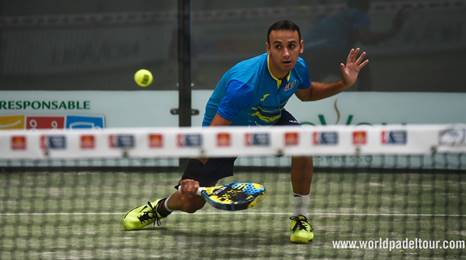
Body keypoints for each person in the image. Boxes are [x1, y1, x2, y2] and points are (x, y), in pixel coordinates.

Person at [122, 20, 368, 244]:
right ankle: (160, 207)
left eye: (291, 46)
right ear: (268, 48)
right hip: (228, 131)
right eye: (278, 46)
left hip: (268, 118)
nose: (285, 53)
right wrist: (193, 172)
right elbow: (213, 134)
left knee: (303, 142)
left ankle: (300, 217)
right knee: (189, 202)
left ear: (300, 47)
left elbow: (307, 93)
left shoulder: (299, 68)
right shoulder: (245, 85)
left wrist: (343, 84)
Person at [304, 0, 405, 91]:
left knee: (312, 84)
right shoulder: (358, 14)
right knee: (361, 65)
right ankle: (364, 101)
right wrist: (392, 32)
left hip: (307, 54)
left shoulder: (334, 16)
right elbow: (365, 38)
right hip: (329, 50)